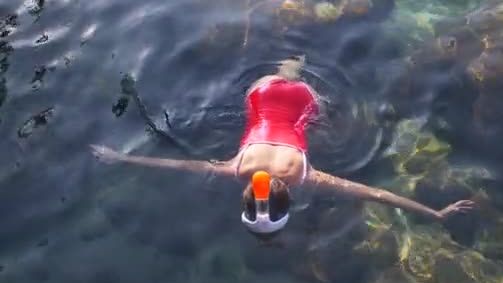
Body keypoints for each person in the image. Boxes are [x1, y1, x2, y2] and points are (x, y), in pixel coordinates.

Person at [91, 56, 474, 239]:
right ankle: (290, 65)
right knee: (297, 90)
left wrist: (435, 213)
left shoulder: (308, 178)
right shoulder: (237, 169)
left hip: (299, 102)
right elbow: (174, 164)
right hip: (259, 94)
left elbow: (375, 194)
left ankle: (293, 66)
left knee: (317, 116)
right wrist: (123, 156)